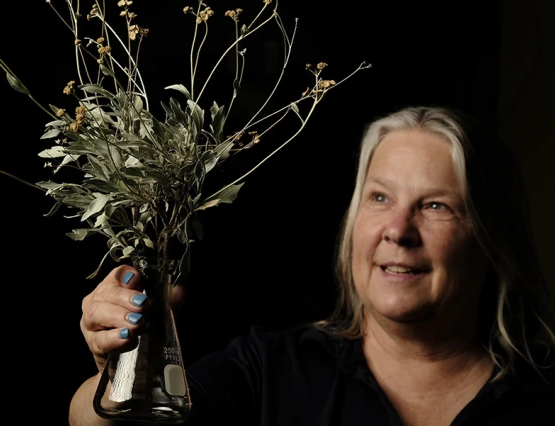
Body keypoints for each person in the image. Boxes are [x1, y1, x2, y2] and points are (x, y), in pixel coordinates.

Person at [69, 105, 555, 426]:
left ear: (491, 241)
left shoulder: (540, 394)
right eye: (380, 197)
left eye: (436, 206)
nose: (398, 229)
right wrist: (124, 367)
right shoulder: (270, 371)